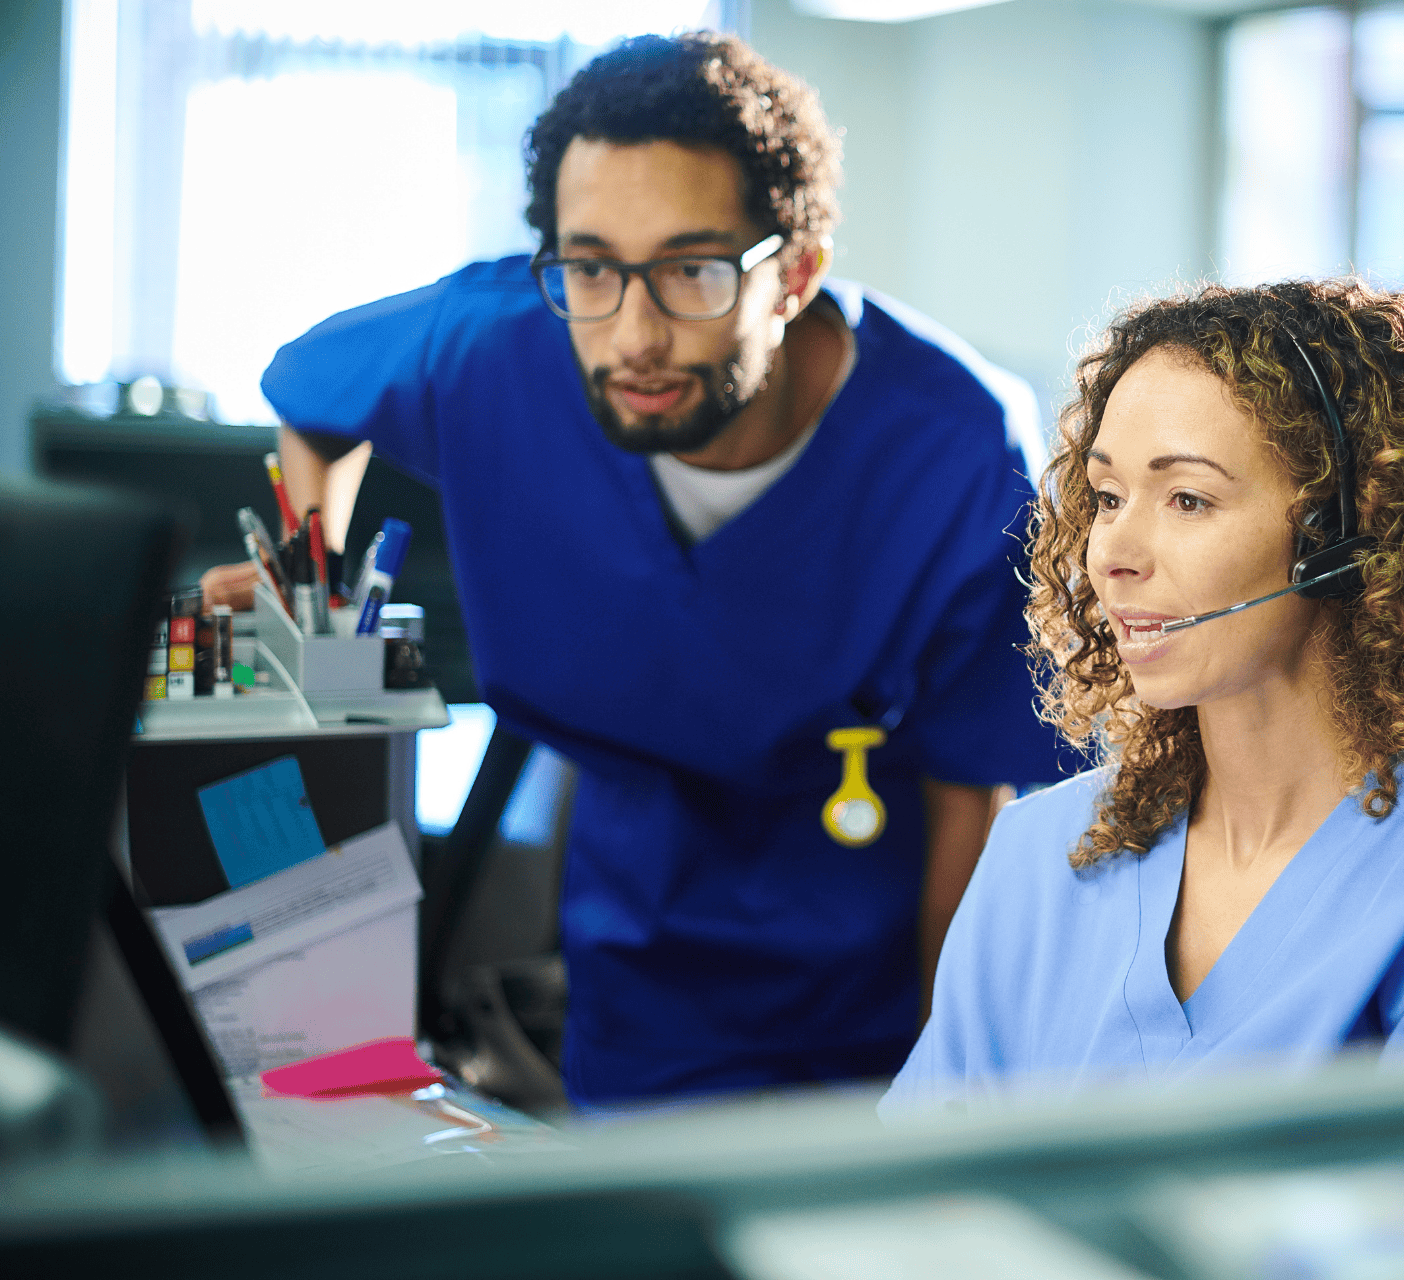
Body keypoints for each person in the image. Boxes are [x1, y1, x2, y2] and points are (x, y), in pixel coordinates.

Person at [201, 33, 1069, 1105]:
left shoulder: (957, 446)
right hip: (632, 950)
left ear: (795, 273)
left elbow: (970, 799)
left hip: (865, 978)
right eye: (591, 266)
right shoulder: (491, 344)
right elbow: (311, 392)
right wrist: (313, 577)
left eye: (693, 269)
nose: (634, 333)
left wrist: (951, 1085)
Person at [881, 279, 1404, 1115]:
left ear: (1348, 536)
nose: (1113, 555)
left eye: (1188, 499)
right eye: (1106, 498)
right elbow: (908, 1199)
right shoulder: (1039, 849)